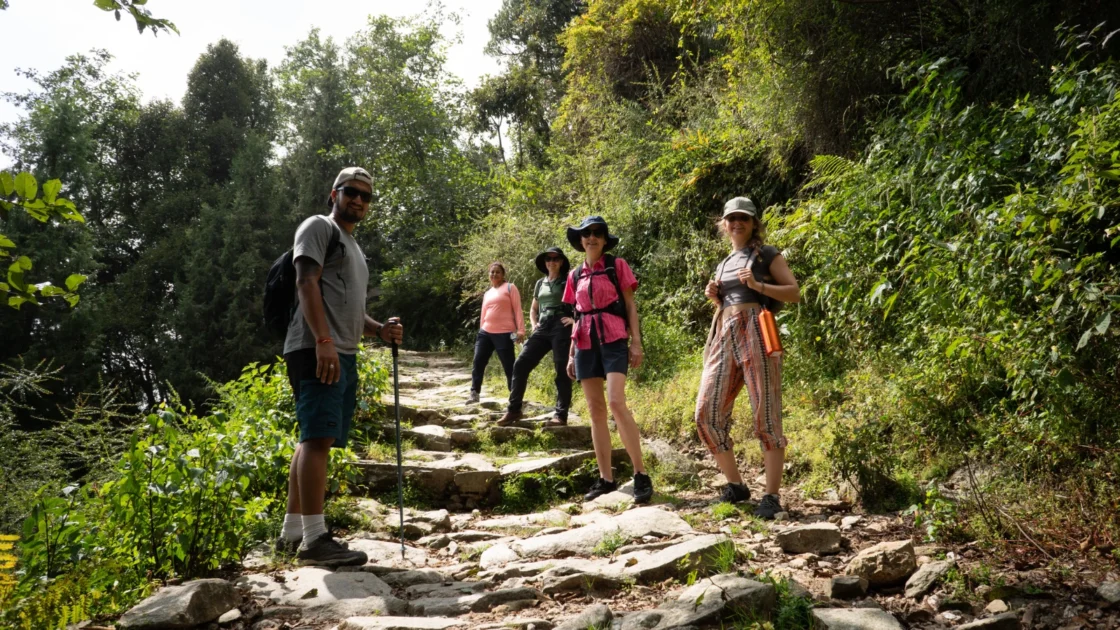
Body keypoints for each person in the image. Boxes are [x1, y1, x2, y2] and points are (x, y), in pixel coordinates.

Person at [277, 166, 404, 566]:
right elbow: (306, 283)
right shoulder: (318, 227)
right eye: (351, 192)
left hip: (338, 350)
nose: (359, 200)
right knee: (317, 439)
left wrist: (379, 329)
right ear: (334, 194)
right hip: (317, 349)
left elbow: (349, 308)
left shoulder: (352, 247)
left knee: (313, 438)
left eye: (366, 196)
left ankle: (293, 532)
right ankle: (315, 540)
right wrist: (324, 341)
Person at [697, 197, 800, 519]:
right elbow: (727, 302)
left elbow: (794, 292)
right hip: (724, 332)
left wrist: (757, 284)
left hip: (757, 328)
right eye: (732, 218)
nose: (737, 223)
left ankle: (771, 496)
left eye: (744, 218)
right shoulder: (724, 262)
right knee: (706, 413)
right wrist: (716, 297)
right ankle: (737, 486)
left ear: (754, 222)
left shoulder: (767, 254)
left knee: (765, 413)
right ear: (723, 224)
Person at [562, 216, 653, 504]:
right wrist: (571, 353)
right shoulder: (575, 275)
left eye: (598, 233)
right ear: (580, 241)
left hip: (614, 338)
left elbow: (629, 304)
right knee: (595, 409)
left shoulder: (617, 266)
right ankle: (606, 479)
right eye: (587, 234)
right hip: (585, 342)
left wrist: (636, 342)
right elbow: (576, 314)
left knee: (615, 401)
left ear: (604, 239)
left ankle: (640, 473)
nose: (592, 237)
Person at [497, 247, 575, 427]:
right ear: (545, 262)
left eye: (556, 259)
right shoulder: (540, 283)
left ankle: (560, 415)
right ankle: (514, 410)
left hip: (561, 326)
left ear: (561, 262)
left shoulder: (568, 281)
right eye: (549, 259)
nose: (552, 262)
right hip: (543, 326)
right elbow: (533, 308)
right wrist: (533, 324)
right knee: (521, 363)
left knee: (562, 370)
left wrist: (574, 320)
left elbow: (580, 302)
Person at [467, 262, 525, 404]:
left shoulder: (510, 288)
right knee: (478, 362)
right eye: (492, 272)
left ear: (503, 274)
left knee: (509, 365)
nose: (494, 274)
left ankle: (514, 397)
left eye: (497, 272)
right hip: (485, 333)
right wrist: (481, 330)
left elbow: (518, 309)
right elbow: (483, 314)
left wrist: (521, 330)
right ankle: (474, 393)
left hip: (504, 333)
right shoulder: (488, 293)